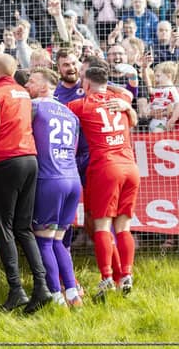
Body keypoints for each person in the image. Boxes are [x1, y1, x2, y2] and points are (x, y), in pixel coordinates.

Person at [0, 53, 52, 314]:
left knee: (5, 228)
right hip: (30, 159)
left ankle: (16, 289)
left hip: (5, 162)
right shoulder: (22, 92)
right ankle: (41, 287)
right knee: (24, 227)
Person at [67, 67, 139, 301]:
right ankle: (126, 275)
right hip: (130, 167)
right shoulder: (121, 100)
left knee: (101, 226)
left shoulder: (82, 105)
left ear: (86, 85)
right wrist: (127, 106)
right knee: (124, 227)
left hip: (105, 169)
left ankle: (106, 277)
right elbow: (133, 114)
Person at [25, 68, 83, 307]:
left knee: (45, 240)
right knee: (59, 240)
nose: (27, 84)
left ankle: (55, 296)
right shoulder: (71, 114)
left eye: (31, 80)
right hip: (73, 180)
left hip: (50, 180)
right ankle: (72, 293)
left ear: (43, 87)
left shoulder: (35, 106)